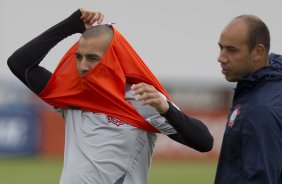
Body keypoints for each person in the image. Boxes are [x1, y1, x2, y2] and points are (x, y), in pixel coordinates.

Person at [8, 8, 213, 184]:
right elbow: (18, 63)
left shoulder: (141, 97)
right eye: (79, 57)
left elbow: (204, 142)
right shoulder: (72, 93)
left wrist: (166, 110)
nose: (82, 66)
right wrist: (69, 26)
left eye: (93, 58)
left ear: (112, 58)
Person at [215, 15, 282, 183]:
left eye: (231, 50)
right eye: (220, 48)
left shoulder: (260, 110)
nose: (221, 57)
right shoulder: (264, 86)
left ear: (258, 52)